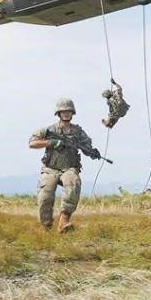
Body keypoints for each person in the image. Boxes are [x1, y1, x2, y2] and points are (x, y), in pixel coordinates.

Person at [29, 98, 100, 232]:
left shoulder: (78, 132)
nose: (66, 114)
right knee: (45, 196)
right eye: (63, 111)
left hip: (69, 168)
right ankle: (45, 227)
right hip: (50, 169)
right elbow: (32, 143)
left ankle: (64, 221)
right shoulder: (49, 130)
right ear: (59, 113)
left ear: (72, 113)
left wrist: (92, 153)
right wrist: (51, 143)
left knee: (73, 184)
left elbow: (86, 148)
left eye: (69, 111)